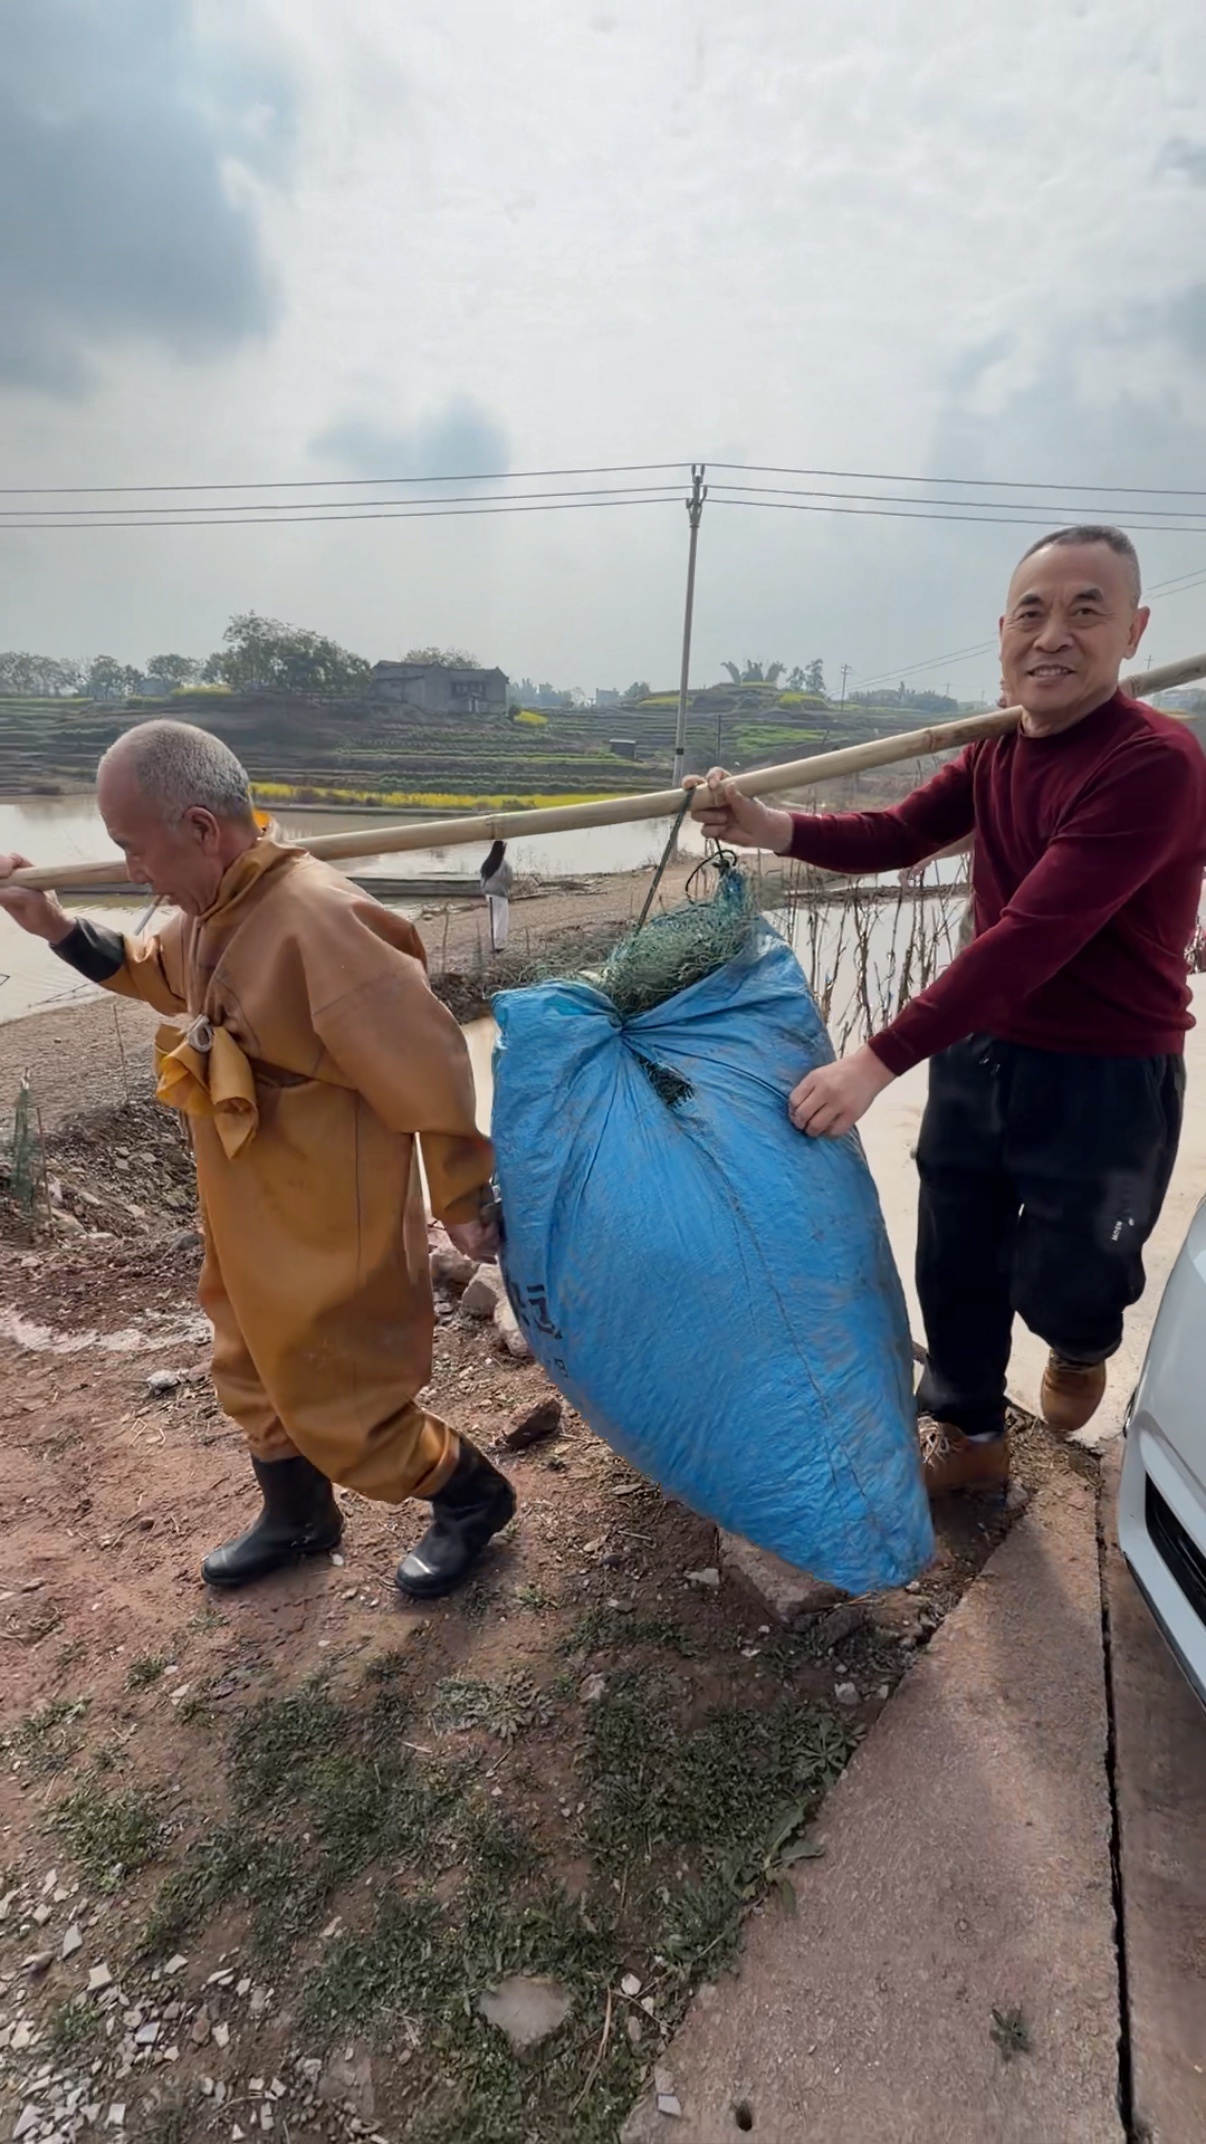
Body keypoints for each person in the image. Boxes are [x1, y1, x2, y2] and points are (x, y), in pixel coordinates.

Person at [692, 526, 1206, 1492]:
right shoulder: (995, 750)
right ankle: (970, 1435)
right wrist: (770, 827)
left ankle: (1081, 1341)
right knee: (955, 1252)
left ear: (1135, 631)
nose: (1053, 636)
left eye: (1086, 612)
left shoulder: (1157, 763)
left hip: (1106, 1071)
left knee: (1074, 1277)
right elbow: (897, 833)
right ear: (1002, 634)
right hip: (984, 1047)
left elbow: (1028, 937)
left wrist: (874, 1061)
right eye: (1032, 614)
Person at [0, 721, 516, 1596]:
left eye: (134, 846)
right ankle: (298, 1516)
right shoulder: (215, 907)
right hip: (246, 1191)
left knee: (341, 1389)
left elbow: (428, 1063)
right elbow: (155, 972)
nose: (131, 870)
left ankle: (471, 1496)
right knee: (248, 1363)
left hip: (330, 1205)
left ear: (202, 828)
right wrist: (51, 925)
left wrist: (460, 1198)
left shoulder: (319, 917)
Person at [480, 839, 514, 954]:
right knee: (501, 919)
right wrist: (507, 889)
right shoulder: (504, 864)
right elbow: (509, 880)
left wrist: (484, 890)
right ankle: (499, 944)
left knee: (493, 918)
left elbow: (482, 878)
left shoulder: (487, 863)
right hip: (500, 894)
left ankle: (493, 941)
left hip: (488, 894)